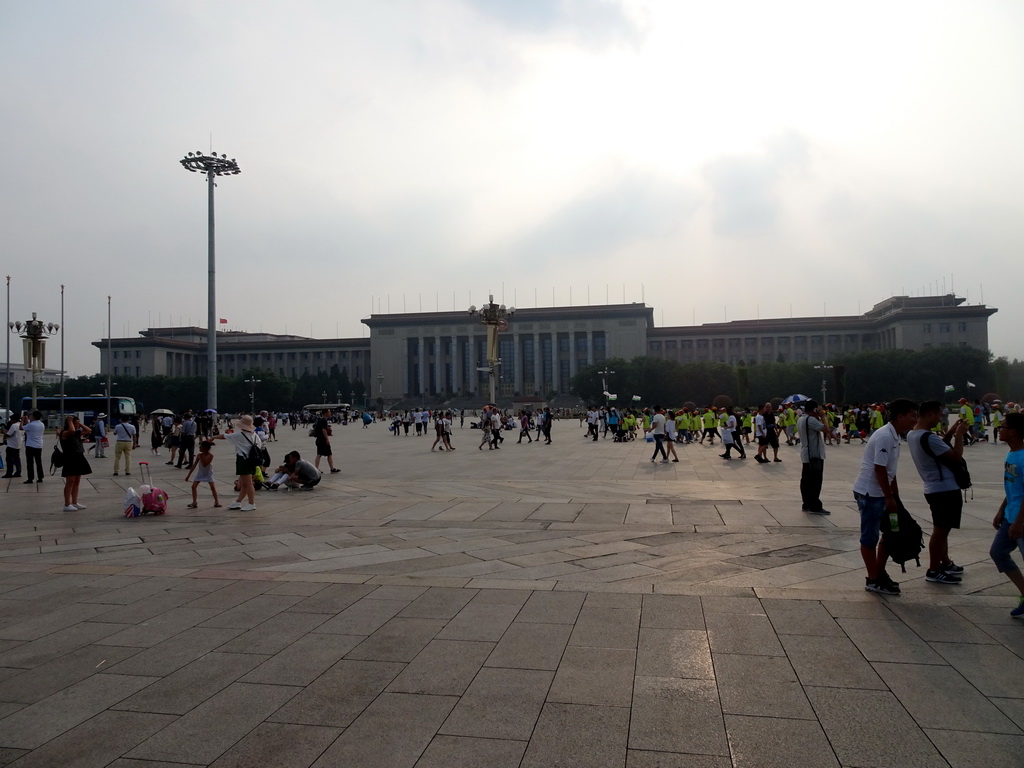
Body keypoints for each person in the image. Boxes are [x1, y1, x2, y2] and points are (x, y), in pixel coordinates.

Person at [852, 398, 919, 596]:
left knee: (890, 533)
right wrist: (889, 498)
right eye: (912, 416)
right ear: (900, 416)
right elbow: (879, 469)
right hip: (870, 493)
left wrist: (894, 496)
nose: (915, 420)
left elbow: (891, 470)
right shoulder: (885, 436)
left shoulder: (894, 435)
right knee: (869, 537)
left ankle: (878, 573)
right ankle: (873, 579)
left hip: (881, 493)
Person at [908, 401, 970, 584]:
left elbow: (935, 448)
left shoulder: (914, 434)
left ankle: (945, 562)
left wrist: (950, 433)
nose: (940, 418)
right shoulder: (928, 437)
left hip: (933, 487)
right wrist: (959, 436)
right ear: (930, 414)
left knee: (942, 529)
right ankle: (933, 570)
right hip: (944, 488)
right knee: (940, 531)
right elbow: (956, 457)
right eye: (939, 415)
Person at [990, 412, 1024, 618]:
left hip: (1020, 520)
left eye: (1002, 426)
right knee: (998, 552)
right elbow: (1012, 486)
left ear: (1013, 432)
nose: (999, 429)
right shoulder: (1011, 454)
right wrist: (1002, 509)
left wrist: (1019, 522)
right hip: (1010, 516)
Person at [213, 414, 263, 511]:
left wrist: (212, 437)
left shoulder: (239, 435)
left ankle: (251, 503)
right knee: (244, 483)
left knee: (248, 483)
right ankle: (238, 501)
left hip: (243, 460)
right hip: (252, 461)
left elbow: (224, 436)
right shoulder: (256, 436)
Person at [797, 401, 828, 514]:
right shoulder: (811, 420)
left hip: (806, 454)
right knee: (815, 481)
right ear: (814, 409)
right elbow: (826, 429)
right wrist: (823, 417)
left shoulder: (801, 418)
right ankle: (815, 505)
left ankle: (806, 503)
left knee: (806, 481)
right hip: (814, 454)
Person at [59, 415, 92, 511]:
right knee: (70, 481)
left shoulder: (77, 433)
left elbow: (88, 430)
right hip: (70, 458)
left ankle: (74, 502)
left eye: (78, 424)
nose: (77, 426)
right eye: (76, 424)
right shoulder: (65, 433)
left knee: (77, 480)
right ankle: (67, 504)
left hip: (79, 457)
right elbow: (72, 431)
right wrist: (70, 421)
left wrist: (79, 423)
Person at [184, 440, 221, 508]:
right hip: (200, 473)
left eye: (201, 447)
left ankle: (216, 502)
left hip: (208, 473)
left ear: (205, 448)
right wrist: (188, 475)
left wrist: (200, 457)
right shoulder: (199, 455)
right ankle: (194, 502)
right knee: (193, 486)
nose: (199, 448)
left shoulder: (210, 456)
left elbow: (204, 464)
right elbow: (194, 465)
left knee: (212, 487)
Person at [23, 411, 45, 484]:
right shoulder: (42, 424)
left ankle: (30, 478)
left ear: (34, 417)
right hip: (39, 445)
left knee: (30, 462)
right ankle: (40, 477)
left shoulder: (31, 425)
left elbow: (21, 428)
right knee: (38, 462)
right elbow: (29, 427)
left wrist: (22, 421)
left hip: (30, 445)